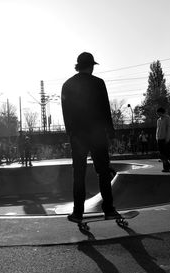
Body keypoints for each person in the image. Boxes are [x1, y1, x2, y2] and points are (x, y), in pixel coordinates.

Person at [61, 52, 120, 222]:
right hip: (97, 134)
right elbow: (105, 109)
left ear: (78, 66)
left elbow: (66, 113)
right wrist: (111, 131)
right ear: (91, 66)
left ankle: (78, 212)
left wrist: (71, 133)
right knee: (103, 172)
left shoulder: (68, 85)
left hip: (78, 136)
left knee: (78, 174)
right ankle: (109, 209)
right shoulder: (98, 83)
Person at [156, 107, 170, 172]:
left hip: (165, 139)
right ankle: (166, 167)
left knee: (169, 154)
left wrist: (167, 138)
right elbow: (157, 130)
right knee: (162, 155)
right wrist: (157, 138)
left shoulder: (167, 118)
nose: (157, 114)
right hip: (159, 139)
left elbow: (169, 129)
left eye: (158, 112)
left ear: (161, 112)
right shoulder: (158, 120)